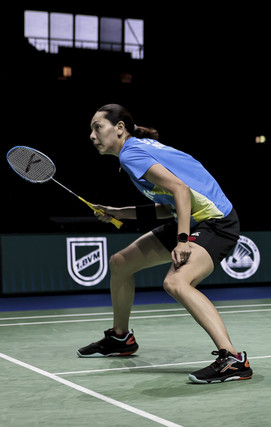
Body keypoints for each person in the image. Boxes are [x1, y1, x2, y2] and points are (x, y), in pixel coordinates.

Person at [77, 104, 253, 384]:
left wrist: (182, 240)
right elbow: (169, 203)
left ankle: (232, 359)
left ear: (119, 128)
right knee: (121, 263)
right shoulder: (138, 149)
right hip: (192, 218)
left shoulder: (131, 154)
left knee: (176, 283)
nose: (92, 135)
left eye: (97, 127)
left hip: (215, 222)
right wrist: (119, 212)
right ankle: (121, 338)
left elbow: (181, 191)